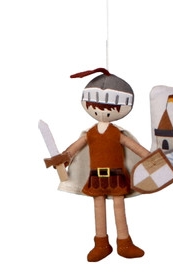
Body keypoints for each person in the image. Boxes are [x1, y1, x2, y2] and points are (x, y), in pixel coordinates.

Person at [44, 68, 151, 262]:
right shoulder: (90, 134)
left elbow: (136, 148)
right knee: (98, 206)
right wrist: (64, 158)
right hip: (95, 176)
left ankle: (124, 243)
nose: (102, 111)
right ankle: (101, 244)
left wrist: (151, 159)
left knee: (118, 205)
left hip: (117, 175)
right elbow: (73, 150)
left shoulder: (117, 133)